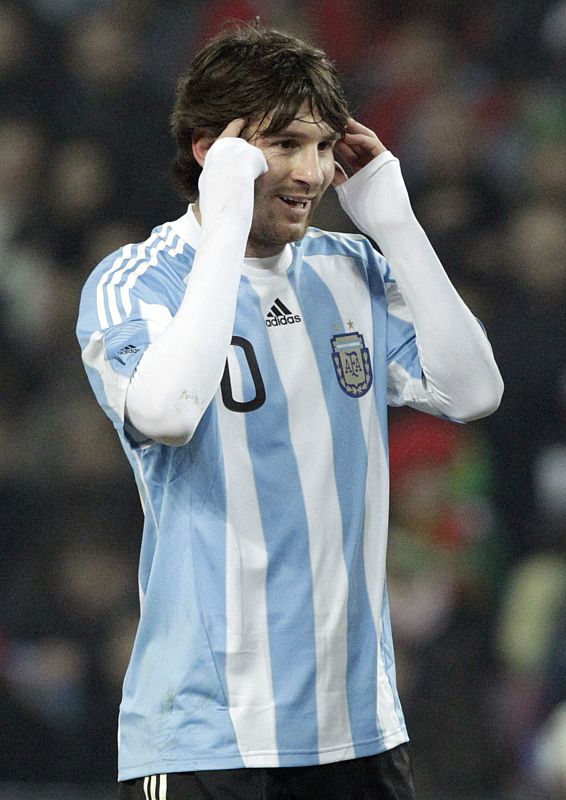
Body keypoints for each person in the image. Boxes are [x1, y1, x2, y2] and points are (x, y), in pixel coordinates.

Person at [76, 22, 504, 800]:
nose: (311, 171)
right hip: (209, 735)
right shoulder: (137, 280)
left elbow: (475, 391)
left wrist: (396, 223)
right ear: (211, 152)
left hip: (361, 728)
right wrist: (225, 225)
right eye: (283, 145)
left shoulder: (351, 270)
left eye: (323, 146)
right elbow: (168, 412)